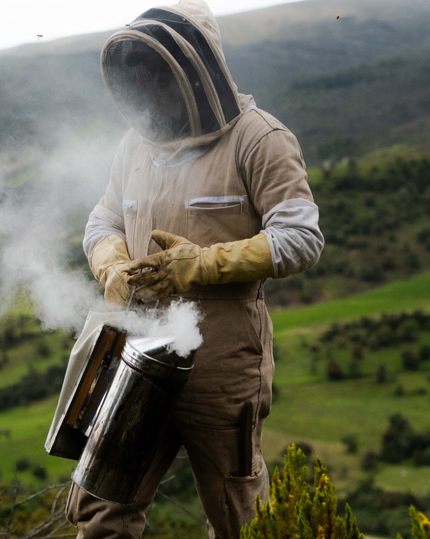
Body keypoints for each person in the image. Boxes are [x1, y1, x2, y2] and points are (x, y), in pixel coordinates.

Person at [73, 1, 323, 537]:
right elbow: (103, 220)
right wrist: (110, 264)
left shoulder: (260, 140)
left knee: (238, 516)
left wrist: (203, 265)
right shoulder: (135, 146)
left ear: (195, 69)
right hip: (137, 353)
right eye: (140, 72)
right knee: (103, 504)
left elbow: (301, 238)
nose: (149, 85)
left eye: (159, 72)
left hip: (223, 362)